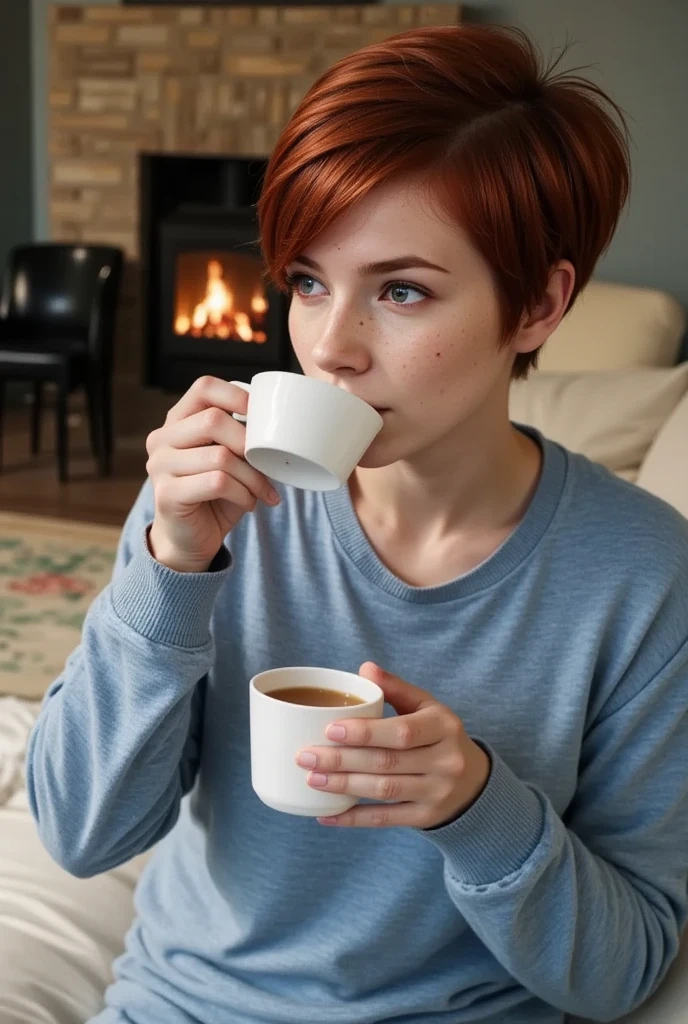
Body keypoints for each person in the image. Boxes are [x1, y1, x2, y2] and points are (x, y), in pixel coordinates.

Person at [26, 23, 688, 1024]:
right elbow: (79, 833)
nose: (329, 346)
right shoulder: (210, 511)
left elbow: (623, 968)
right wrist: (169, 568)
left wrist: (474, 803)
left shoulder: (641, 576)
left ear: (538, 305)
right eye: (306, 281)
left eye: (402, 290)